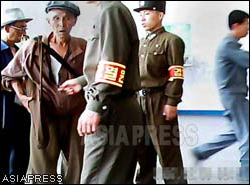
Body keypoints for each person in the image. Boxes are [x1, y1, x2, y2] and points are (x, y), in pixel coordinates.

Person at [1, 1, 87, 183]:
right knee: (41, 171)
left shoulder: (83, 46)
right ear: (49, 21)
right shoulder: (33, 47)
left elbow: (95, 75)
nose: (61, 24)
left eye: (67, 19)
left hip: (75, 117)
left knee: (77, 168)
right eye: (56, 18)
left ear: (74, 21)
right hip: (44, 116)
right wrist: (23, 97)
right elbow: (9, 75)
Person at [59, 1, 143, 184]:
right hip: (116, 104)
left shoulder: (111, 11)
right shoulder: (109, 10)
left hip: (112, 107)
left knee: (98, 178)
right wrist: (83, 81)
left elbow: (113, 62)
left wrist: (95, 105)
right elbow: (109, 59)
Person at [192, 10, 249, 183]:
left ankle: (202, 151)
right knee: (247, 135)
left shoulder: (231, 45)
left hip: (234, 96)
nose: (248, 29)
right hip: (234, 97)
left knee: (236, 132)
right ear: (235, 25)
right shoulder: (228, 45)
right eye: (246, 24)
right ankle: (246, 176)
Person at [133, 1, 187, 184]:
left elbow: (176, 74)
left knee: (167, 151)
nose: (142, 18)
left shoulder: (172, 41)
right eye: (140, 14)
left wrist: (172, 101)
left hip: (159, 100)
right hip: (140, 101)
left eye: (147, 13)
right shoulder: (141, 42)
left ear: (160, 15)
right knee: (142, 150)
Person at [0, 8, 32, 183]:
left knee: (21, 156)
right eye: (21, 28)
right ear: (6, 28)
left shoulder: (21, 50)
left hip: (21, 112)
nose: (24, 32)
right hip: (4, 114)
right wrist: (11, 84)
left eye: (25, 28)